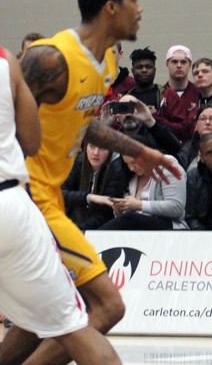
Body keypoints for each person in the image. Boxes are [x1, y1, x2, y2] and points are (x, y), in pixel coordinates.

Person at [2, 0, 182, 365]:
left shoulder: (103, 65)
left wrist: (140, 149)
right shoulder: (50, 59)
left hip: (48, 199)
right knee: (107, 307)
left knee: (40, 318)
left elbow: (85, 125)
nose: (140, 9)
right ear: (111, 7)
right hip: (29, 200)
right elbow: (6, 115)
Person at [0, 47, 124, 364]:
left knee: (39, 315)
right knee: (85, 315)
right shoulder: (8, 60)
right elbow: (31, 140)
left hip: (28, 202)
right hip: (19, 202)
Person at [98, 134, 187, 231]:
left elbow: (176, 207)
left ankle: (89, 241)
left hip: (170, 229)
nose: (131, 168)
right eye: (127, 164)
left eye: (134, 162)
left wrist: (139, 205)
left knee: (128, 218)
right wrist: (120, 210)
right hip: (139, 232)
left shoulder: (168, 167)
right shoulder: (131, 176)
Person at [62, 139, 127, 231]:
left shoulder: (116, 169)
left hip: (99, 229)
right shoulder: (78, 162)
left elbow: (105, 213)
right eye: (92, 147)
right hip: (71, 221)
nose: (96, 153)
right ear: (85, 147)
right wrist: (91, 197)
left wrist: (78, 230)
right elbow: (62, 194)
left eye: (102, 148)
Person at [161, 44, 202, 142]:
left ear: (190, 65)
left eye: (183, 62)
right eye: (174, 62)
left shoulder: (199, 94)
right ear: (167, 64)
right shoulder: (159, 94)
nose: (179, 65)